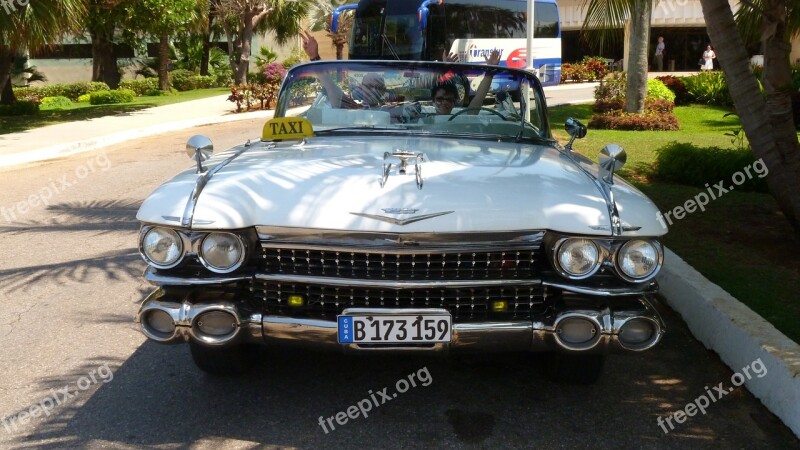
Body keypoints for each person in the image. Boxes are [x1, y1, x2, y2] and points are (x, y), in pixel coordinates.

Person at [300, 31, 386, 109]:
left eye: (378, 87)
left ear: (383, 91)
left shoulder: (392, 111)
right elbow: (330, 85)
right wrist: (314, 57)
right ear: (362, 89)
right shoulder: (353, 108)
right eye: (369, 86)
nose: (373, 91)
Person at [431, 49, 502, 115]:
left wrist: (489, 72)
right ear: (433, 100)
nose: (444, 102)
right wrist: (445, 69)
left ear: (454, 102)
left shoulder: (464, 119)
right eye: (439, 99)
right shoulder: (424, 120)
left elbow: (479, 96)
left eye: (449, 99)